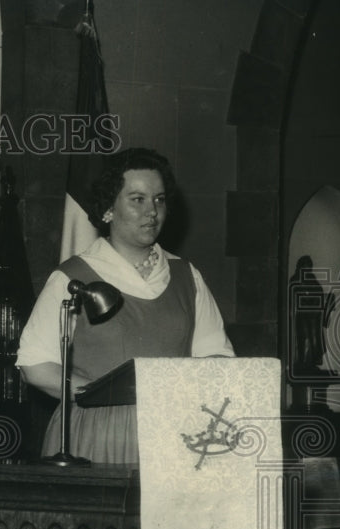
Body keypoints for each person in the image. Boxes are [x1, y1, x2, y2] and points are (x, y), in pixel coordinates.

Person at [17, 147, 234, 465]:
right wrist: (102, 394)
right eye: (138, 199)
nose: (152, 212)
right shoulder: (73, 277)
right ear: (108, 209)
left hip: (172, 431)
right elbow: (35, 366)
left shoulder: (187, 276)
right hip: (98, 433)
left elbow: (217, 359)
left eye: (159, 199)